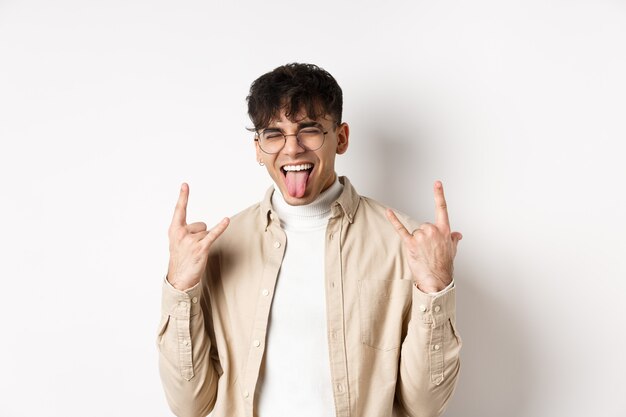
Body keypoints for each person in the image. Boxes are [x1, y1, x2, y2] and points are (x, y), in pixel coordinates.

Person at [157, 63, 463, 417]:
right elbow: (188, 404)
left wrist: (435, 286)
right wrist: (180, 286)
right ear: (258, 148)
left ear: (342, 137)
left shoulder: (406, 246)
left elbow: (424, 406)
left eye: (309, 130)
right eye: (274, 134)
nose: (292, 149)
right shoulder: (219, 248)